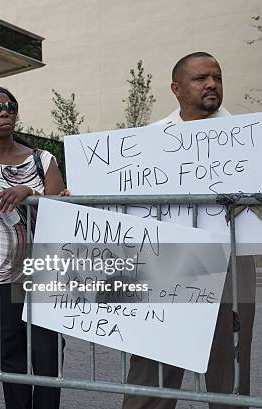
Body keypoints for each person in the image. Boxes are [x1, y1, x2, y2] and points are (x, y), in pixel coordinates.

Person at [122, 52, 256, 409]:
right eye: (201, 78)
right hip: (169, 260)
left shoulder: (249, 139)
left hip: (232, 258)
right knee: (153, 359)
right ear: (177, 88)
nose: (211, 84)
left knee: (229, 361)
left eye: (217, 76)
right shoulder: (149, 140)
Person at [0, 86, 68, 409]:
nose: (5, 112)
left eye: (10, 106)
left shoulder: (42, 160)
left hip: (44, 267)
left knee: (48, 350)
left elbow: (61, 215)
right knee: (11, 350)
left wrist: (27, 192)